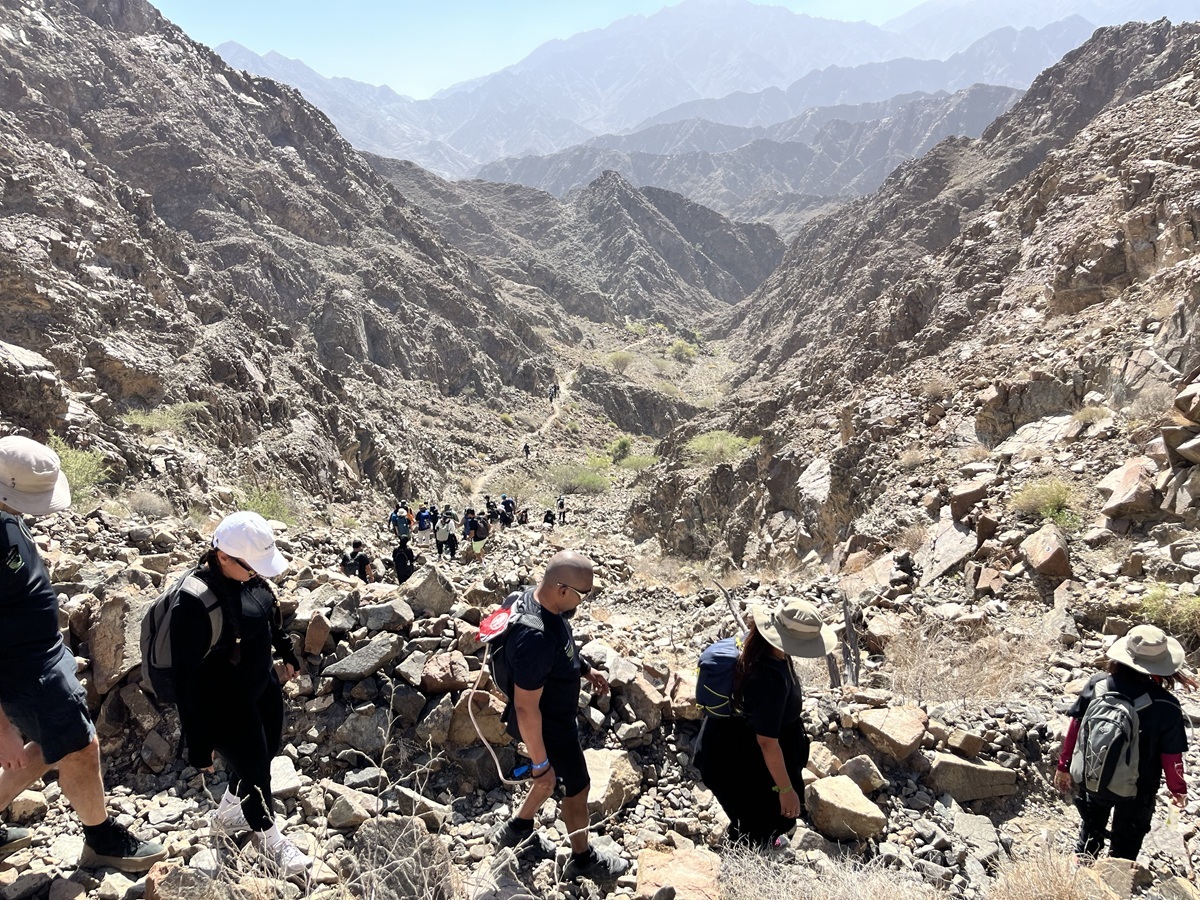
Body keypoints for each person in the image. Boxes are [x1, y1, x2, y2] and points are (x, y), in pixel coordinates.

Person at [0, 436, 167, 871]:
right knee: (81, 746)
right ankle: (102, 841)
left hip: (38, 659)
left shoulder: (4, 515)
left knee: (54, 742)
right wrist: (2, 729)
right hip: (26, 670)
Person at [166, 510, 310, 876]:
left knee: (267, 751)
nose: (258, 574)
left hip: (260, 683)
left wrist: (287, 652)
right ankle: (270, 839)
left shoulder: (249, 578)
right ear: (223, 557)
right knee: (256, 769)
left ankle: (229, 810)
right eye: (252, 567)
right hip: (221, 702)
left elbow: (265, 616)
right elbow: (184, 680)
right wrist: (198, 743)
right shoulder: (193, 603)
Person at [489, 551, 628, 881]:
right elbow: (526, 708)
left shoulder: (531, 598)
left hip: (552, 714)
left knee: (549, 781)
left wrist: (585, 669)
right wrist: (539, 762)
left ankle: (517, 829)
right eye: (583, 594)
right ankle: (583, 859)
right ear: (562, 589)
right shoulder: (535, 638)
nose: (584, 600)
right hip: (549, 725)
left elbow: (559, 645)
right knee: (577, 788)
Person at [695, 598, 835, 848]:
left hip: (729, 743)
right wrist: (786, 791)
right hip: (738, 757)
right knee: (762, 820)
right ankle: (749, 852)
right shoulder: (768, 678)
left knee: (754, 813)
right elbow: (768, 743)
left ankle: (747, 836)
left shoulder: (758, 645)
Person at [1054, 624, 1193, 861]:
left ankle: (1082, 870)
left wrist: (1063, 766)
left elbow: (1076, 726)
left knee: (1090, 832)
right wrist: (1177, 790)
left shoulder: (1098, 685)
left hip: (1095, 774)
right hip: (1139, 789)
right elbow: (1171, 757)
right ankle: (1117, 876)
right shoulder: (1166, 705)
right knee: (1126, 845)